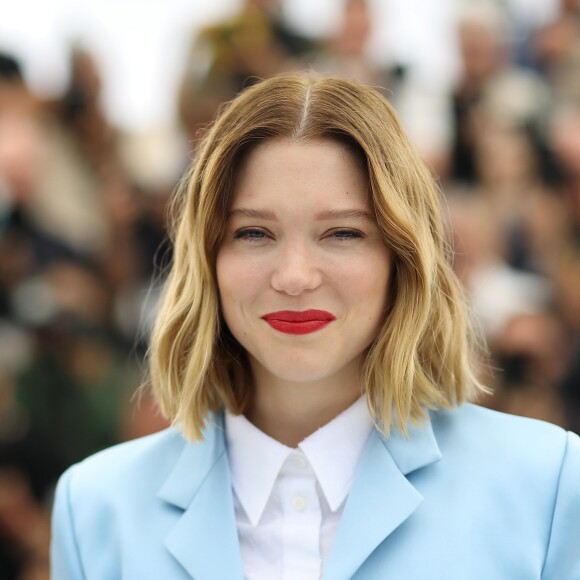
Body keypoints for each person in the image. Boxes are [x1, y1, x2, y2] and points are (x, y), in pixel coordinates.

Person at [50, 74, 580, 579]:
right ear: (206, 257)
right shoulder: (95, 509)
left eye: (343, 234)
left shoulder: (547, 484)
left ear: (402, 257)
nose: (295, 277)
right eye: (254, 233)